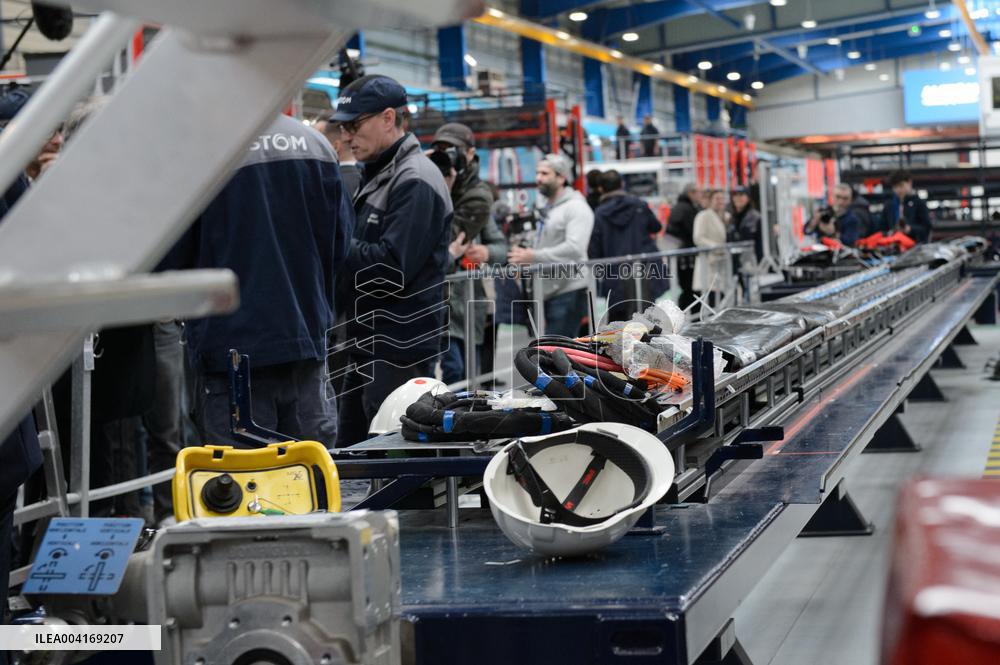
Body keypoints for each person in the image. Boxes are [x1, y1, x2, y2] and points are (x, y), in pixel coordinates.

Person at [163, 112, 354, 449]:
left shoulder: (199, 153)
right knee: (310, 478)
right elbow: (340, 243)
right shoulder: (315, 145)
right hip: (305, 346)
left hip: (232, 356)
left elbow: (172, 260)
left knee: (247, 486)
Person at [333, 74, 453, 446]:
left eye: (354, 125)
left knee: (392, 454)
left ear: (388, 118)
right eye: (342, 127)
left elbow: (389, 269)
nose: (346, 137)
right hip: (368, 337)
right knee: (354, 451)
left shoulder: (414, 180)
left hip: (399, 344)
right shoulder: (378, 176)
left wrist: (332, 240)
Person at [429, 122, 503, 385]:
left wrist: (486, 251)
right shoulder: (429, 179)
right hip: (434, 294)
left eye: (452, 150)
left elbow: (499, 246)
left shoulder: (478, 195)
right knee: (441, 369)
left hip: (464, 298)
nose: (444, 156)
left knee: (461, 370)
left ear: (470, 153)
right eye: (438, 150)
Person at [507, 153, 593, 337]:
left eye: (545, 173)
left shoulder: (576, 207)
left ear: (561, 177)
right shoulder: (549, 207)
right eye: (538, 173)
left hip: (569, 289)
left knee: (557, 351)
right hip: (547, 289)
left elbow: (575, 247)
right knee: (549, 352)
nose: (539, 178)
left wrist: (534, 256)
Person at [588, 170, 666, 321]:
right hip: (644, 271)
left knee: (618, 325)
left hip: (616, 274)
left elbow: (594, 249)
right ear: (622, 184)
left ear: (601, 189)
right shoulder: (640, 205)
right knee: (647, 320)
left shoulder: (600, 213)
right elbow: (656, 227)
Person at [692, 189, 732, 308]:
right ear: (710, 201)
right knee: (710, 297)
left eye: (722, 198)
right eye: (717, 198)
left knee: (724, 298)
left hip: (723, 263)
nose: (720, 201)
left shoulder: (727, 216)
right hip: (709, 262)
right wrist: (715, 246)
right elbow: (698, 238)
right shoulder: (703, 216)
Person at [666, 183, 701, 310]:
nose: (700, 196)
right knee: (691, 290)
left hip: (680, 258)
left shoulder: (679, 207)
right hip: (686, 259)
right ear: (691, 193)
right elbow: (693, 232)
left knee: (687, 289)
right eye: (698, 192)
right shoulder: (687, 209)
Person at [884, 170, 932, 243]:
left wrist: (910, 229)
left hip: (915, 246)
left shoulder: (919, 203)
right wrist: (889, 233)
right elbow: (881, 227)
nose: (898, 190)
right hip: (894, 245)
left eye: (901, 185)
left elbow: (926, 228)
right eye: (895, 187)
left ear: (909, 182)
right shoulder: (889, 205)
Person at [730, 186, 762, 261]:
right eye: (735, 195)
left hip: (752, 263)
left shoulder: (755, 217)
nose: (738, 198)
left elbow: (760, 245)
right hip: (736, 262)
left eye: (741, 195)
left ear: (748, 198)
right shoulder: (731, 218)